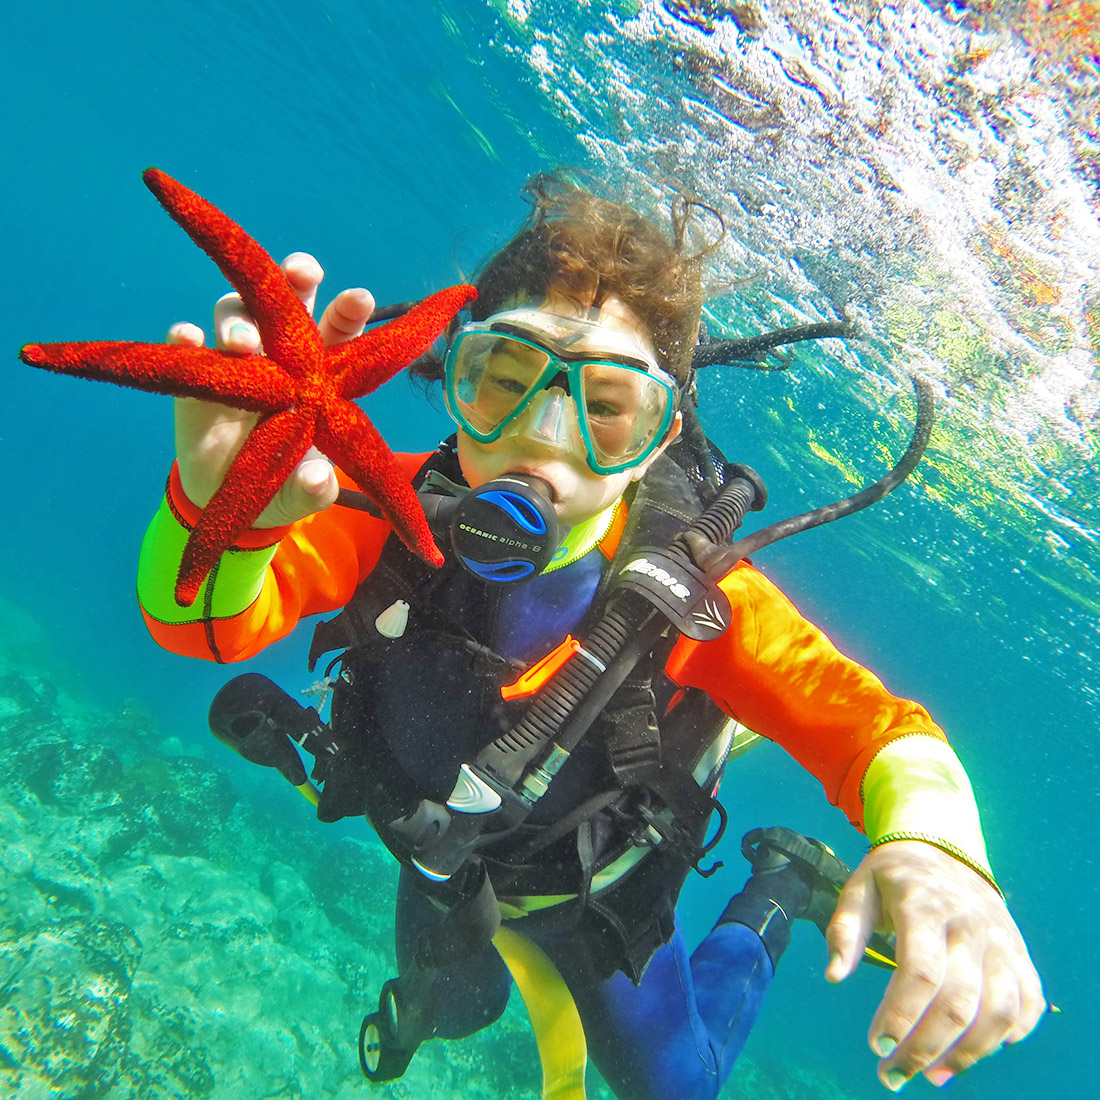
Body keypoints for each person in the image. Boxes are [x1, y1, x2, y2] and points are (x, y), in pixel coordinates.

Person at [138, 174, 1045, 1097]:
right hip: (438, 846)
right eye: (504, 379)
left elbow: (886, 735)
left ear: (659, 439)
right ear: (457, 382)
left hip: (603, 897)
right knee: (454, 1010)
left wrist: (939, 853)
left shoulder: (698, 599)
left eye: (607, 408)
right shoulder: (378, 505)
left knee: (676, 1085)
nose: (544, 437)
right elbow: (200, 625)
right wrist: (225, 514)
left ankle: (782, 887)